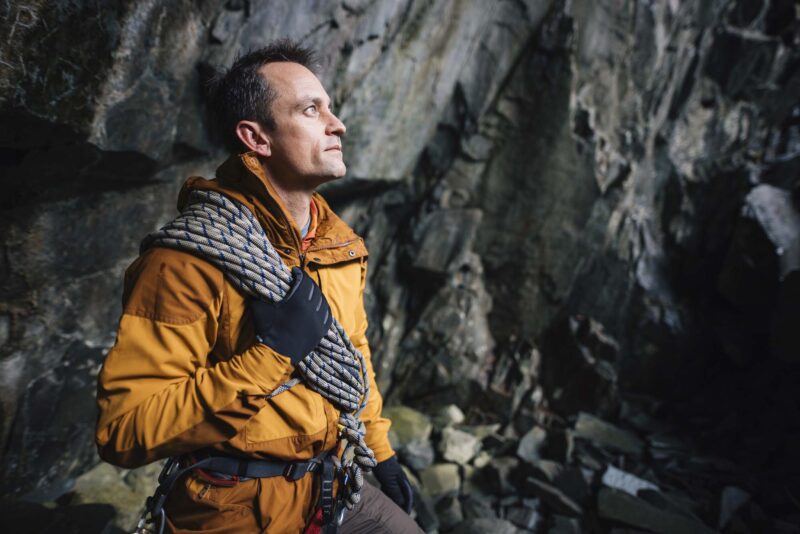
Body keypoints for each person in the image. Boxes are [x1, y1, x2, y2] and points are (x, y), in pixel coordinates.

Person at [95, 39, 422, 534]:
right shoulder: (186, 262)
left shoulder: (337, 246)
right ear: (257, 138)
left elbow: (352, 355)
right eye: (311, 110)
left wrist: (380, 451)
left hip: (332, 485)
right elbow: (124, 429)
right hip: (235, 508)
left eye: (330, 108)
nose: (338, 124)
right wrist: (271, 354)